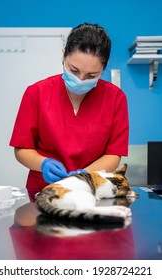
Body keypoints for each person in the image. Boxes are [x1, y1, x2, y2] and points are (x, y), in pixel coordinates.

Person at [9, 23, 129, 201]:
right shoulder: (36, 93)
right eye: (74, 70)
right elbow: (22, 149)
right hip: (43, 191)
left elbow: (113, 155)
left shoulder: (115, 98)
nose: (80, 80)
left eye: (91, 75)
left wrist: (84, 176)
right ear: (64, 54)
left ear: (104, 67)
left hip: (91, 191)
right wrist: (43, 163)